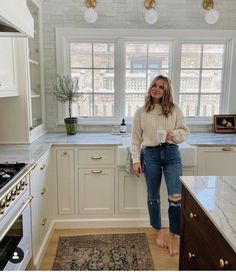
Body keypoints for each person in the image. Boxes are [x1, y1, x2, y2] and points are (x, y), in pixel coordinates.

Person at [131, 75, 189, 256]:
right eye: (154, 85)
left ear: (166, 91)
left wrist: (174, 135)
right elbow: (135, 139)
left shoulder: (175, 110)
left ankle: (174, 234)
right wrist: (136, 160)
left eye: (161, 87)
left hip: (171, 153)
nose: (156, 89)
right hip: (151, 154)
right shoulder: (141, 112)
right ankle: (159, 230)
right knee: (153, 196)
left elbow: (184, 131)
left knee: (176, 197)